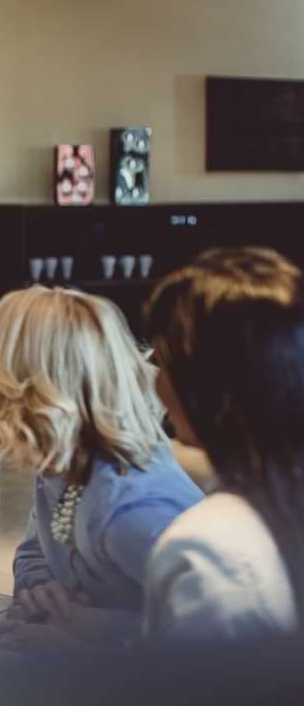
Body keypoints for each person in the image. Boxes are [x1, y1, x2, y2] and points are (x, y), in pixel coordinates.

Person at [0, 286, 201, 644]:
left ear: (24, 384)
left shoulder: (134, 509)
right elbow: (35, 552)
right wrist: (41, 591)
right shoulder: (61, 461)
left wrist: (79, 626)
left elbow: (210, 642)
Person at [141, 247, 302, 642]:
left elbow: (188, 702)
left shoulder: (209, 551)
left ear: (206, 386)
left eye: (161, 360)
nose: (155, 381)